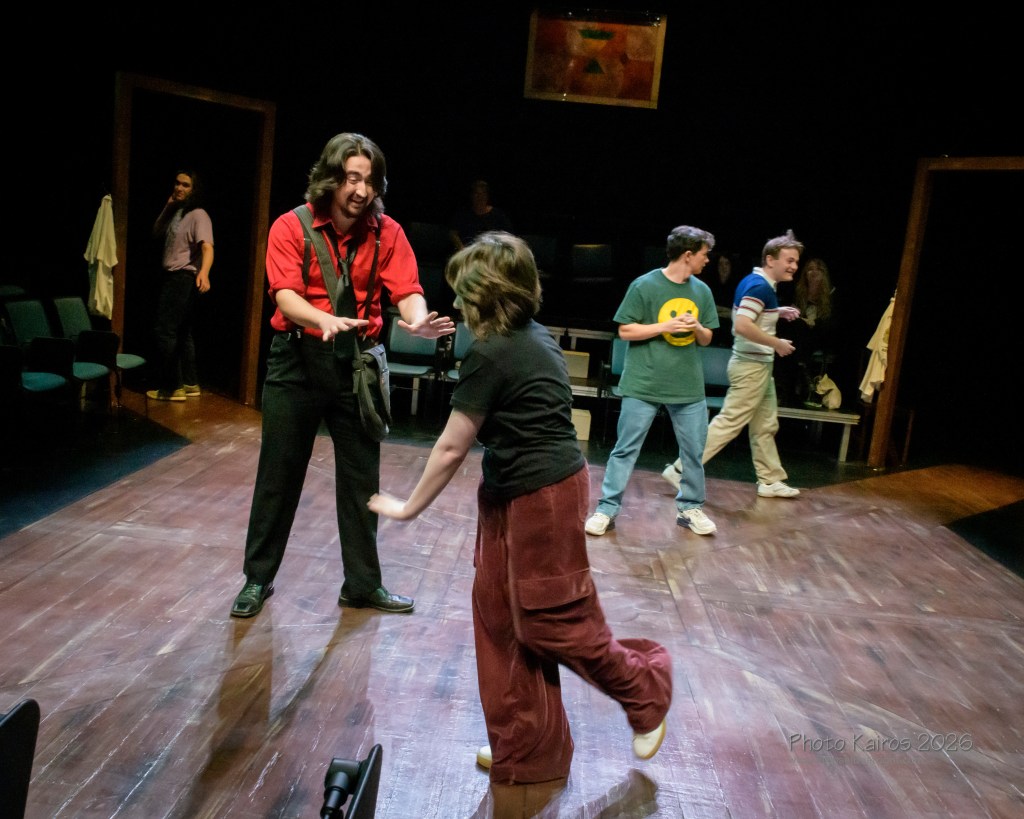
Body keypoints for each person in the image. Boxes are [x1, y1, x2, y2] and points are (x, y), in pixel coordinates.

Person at [368, 231, 671, 783]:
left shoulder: (496, 352)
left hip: (544, 497)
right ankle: (527, 748)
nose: (456, 301)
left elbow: (452, 446)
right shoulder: (527, 337)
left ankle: (645, 689)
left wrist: (408, 508)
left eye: (463, 291)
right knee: (498, 617)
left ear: (488, 293)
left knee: (550, 620)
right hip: (508, 491)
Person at [230, 132, 455, 619]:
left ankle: (362, 584)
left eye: (369, 181)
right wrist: (321, 319)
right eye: (352, 178)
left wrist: (417, 320)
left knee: (360, 478)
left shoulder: (387, 232)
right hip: (297, 360)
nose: (361, 190)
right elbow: (284, 295)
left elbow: (407, 290)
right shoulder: (291, 226)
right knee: (279, 475)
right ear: (331, 178)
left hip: (356, 364)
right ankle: (257, 578)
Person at [584, 225, 720, 538]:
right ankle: (607, 508)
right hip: (644, 383)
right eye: (704, 254)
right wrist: (665, 326)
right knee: (625, 449)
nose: (707, 260)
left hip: (687, 386)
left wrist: (697, 326)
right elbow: (625, 331)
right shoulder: (645, 285)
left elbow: (707, 338)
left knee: (693, 452)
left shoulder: (702, 291)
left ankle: (690, 508)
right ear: (688, 255)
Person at [661, 229, 804, 498]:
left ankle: (770, 479)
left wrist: (777, 312)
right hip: (751, 367)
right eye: (789, 260)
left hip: (758, 367)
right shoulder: (760, 287)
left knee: (765, 424)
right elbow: (742, 326)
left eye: (796, 261)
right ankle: (680, 469)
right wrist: (776, 343)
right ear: (770, 260)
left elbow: (748, 314)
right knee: (729, 422)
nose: (794, 266)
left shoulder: (757, 283)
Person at [147, 169, 213, 401]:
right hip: (175, 277)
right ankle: (190, 382)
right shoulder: (177, 212)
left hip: (182, 278)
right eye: (177, 183)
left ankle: (172, 387)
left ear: (194, 190)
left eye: (185, 185)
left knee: (164, 331)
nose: (179, 188)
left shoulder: (198, 214)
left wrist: (204, 272)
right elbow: (156, 232)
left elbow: (207, 247)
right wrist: (168, 206)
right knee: (183, 332)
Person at [448, 179, 513, 252]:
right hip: (469, 253)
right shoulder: (463, 214)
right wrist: (462, 249)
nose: (480, 197)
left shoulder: (498, 214)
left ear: (487, 196)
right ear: (471, 196)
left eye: (483, 193)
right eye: (477, 193)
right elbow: (453, 233)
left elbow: (508, 235)